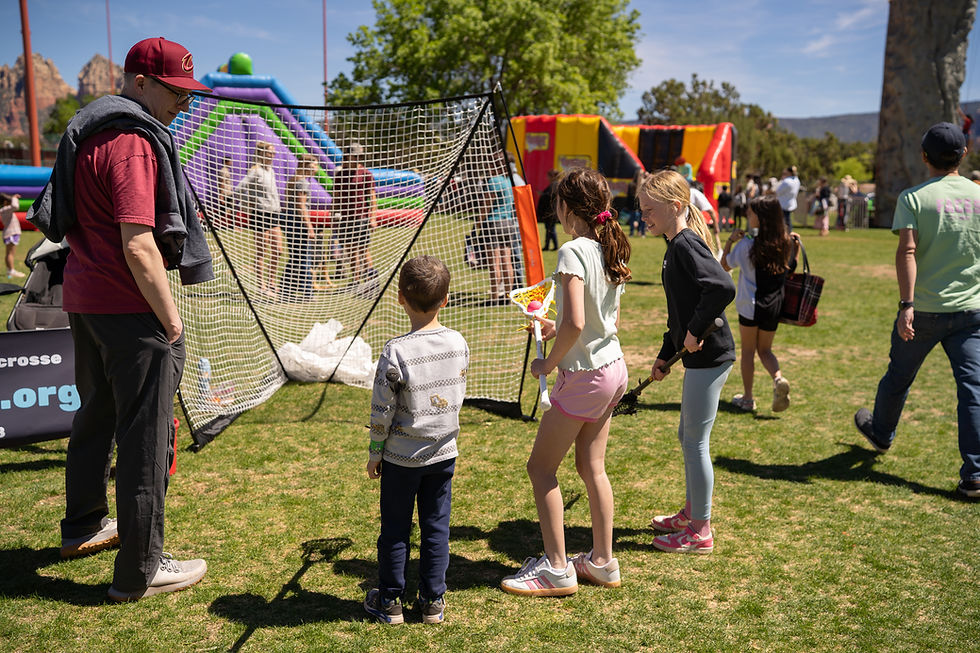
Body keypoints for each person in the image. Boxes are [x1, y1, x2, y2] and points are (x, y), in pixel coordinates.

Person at [27, 37, 214, 601]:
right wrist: (171, 317)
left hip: (84, 302)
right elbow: (139, 245)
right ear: (139, 82)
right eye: (175, 90)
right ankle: (141, 569)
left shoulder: (90, 132)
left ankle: (83, 525)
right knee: (144, 440)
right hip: (128, 310)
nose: (183, 102)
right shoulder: (132, 142)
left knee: (95, 418)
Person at [499, 167, 631, 597]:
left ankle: (557, 569)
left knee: (540, 468)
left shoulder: (574, 250)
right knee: (592, 467)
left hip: (586, 377)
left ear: (566, 208)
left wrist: (548, 364)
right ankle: (603, 562)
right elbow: (597, 320)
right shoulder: (606, 246)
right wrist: (557, 331)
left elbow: (576, 320)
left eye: (555, 201)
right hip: (614, 370)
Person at [854, 122, 980, 499]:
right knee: (973, 391)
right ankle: (975, 475)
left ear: (924, 157)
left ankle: (881, 432)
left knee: (898, 377)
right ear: (964, 154)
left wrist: (906, 304)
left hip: (924, 310)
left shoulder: (913, 197)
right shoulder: (978, 196)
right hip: (972, 310)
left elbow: (907, 251)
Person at [364, 255, 469, 624]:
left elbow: (382, 412)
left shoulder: (396, 351)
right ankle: (432, 602)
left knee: (395, 529)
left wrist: (375, 453)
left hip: (401, 459)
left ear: (400, 298)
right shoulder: (458, 343)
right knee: (436, 529)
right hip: (443, 455)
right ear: (445, 299)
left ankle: (391, 601)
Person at [639, 169, 736, 554]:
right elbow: (680, 312)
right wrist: (666, 354)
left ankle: (700, 531)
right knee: (688, 436)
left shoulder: (685, 245)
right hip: (698, 356)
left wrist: (695, 330)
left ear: (675, 207)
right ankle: (692, 512)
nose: (643, 216)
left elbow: (721, 287)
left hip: (711, 356)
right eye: (641, 209)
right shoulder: (674, 245)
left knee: (695, 441)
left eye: (649, 209)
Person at [721, 195, 800, 413]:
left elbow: (724, 265)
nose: (747, 214)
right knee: (765, 350)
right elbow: (791, 267)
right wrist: (796, 246)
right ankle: (778, 379)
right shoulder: (784, 242)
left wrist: (729, 241)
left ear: (761, 217)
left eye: (751, 212)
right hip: (775, 305)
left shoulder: (747, 245)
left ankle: (747, 398)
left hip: (750, 305)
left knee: (748, 351)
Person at [235, 141, 281, 298]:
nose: (272, 155)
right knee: (262, 251)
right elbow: (240, 188)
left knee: (278, 250)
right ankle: (262, 286)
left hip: (274, 213)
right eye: (270, 152)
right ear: (261, 153)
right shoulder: (256, 171)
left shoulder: (271, 171)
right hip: (260, 214)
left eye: (274, 152)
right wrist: (246, 204)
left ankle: (272, 282)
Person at [333, 142, 377, 285]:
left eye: (359, 156)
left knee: (363, 249)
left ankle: (371, 279)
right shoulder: (340, 174)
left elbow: (372, 198)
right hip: (346, 218)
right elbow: (337, 197)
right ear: (348, 156)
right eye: (354, 156)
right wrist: (334, 214)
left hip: (361, 217)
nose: (357, 159)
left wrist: (373, 218)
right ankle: (356, 280)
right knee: (350, 250)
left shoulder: (366, 174)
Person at [280, 154, 320, 300]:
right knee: (304, 258)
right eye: (314, 164)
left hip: (290, 221)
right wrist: (309, 226)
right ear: (306, 165)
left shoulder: (294, 180)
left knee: (295, 257)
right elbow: (301, 205)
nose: (316, 168)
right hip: (298, 223)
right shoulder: (302, 182)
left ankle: (285, 290)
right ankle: (307, 292)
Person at [481, 153, 519, 303]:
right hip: (508, 223)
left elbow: (486, 205)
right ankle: (509, 296)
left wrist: (478, 222)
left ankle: (494, 297)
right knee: (506, 261)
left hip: (493, 223)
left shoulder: (493, 181)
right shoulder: (508, 181)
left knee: (494, 263)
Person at [691, 182, 721, 253]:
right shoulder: (696, 193)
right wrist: (716, 227)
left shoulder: (688, 192)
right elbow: (711, 211)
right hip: (691, 226)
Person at [2, 193, 23, 278]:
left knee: (9, 253)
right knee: (10, 253)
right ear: (5, 202)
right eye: (9, 201)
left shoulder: (5, 210)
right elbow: (15, 206)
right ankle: (11, 270)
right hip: (11, 233)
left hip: (9, 233)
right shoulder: (5, 209)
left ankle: (9, 270)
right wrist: (14, 198)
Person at [538, 169, 559, 251]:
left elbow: (549, 197)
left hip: (551, 212)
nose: (547, 178)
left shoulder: (554, 185)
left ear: (553, 176)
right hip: (551, 212)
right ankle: (547, 245)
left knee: (551, 229)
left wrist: (542, 195)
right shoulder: (554, 185)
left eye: (548, 176)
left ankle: (554, 245)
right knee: (549, 229)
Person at [775, 166, 801, 232]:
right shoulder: (797, 180)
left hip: (783, 203)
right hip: (791, 203)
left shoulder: (787, 181)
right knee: (787, 220)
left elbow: (778, 192)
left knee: (784, 221)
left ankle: (787, 233)